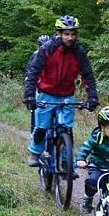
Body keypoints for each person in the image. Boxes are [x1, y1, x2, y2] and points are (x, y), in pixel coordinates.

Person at [23, 15, 99, 166]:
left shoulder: (79, 52)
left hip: (67, 96)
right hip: (45, 94)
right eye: (66, 34)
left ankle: (66, 163)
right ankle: (35, 153)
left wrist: (92, 97)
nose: (70, 37)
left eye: (73, 34)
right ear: (59, 33)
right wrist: (29, 96)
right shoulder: (48, 48)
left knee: (66, 130)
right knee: (41, 128)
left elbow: (88, 75)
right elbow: (33, 72)